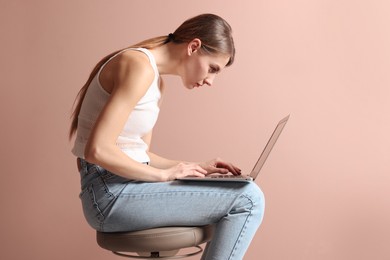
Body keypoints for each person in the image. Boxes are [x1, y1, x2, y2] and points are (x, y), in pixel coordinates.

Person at [69, 13, 265, 259]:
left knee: (244, 192)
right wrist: (164, 175)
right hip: (109, 192)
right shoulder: (138, 66)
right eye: (212, 68)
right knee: (248, 199)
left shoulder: (156, 82)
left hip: (126, 186)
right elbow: (97, 150)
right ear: (194, 46)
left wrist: (196, 168)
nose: (211, 81)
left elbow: (141, 155)